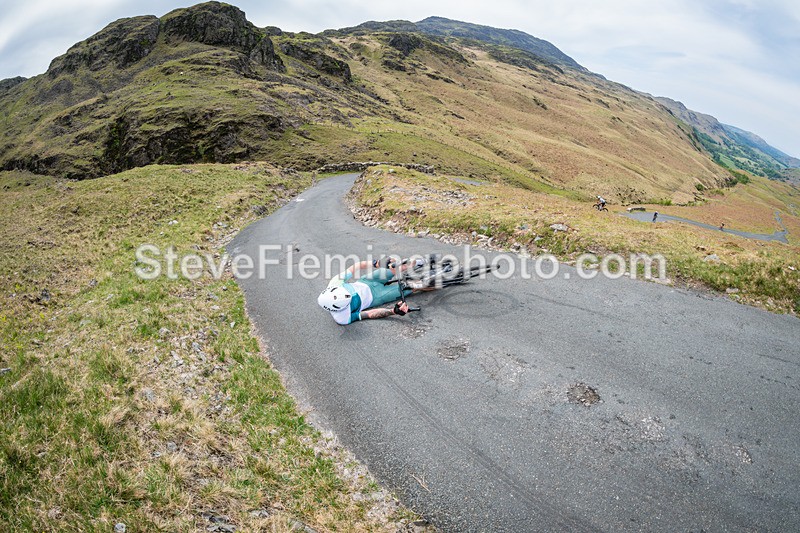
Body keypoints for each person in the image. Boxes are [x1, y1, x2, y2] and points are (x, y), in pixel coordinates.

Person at [317, 256, 434, 325]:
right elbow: (369, 314)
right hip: (377, 296)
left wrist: (376, 263)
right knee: (413, 286)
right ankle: (439, 281)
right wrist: (393, 311)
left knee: (397, 267)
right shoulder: (342, 318)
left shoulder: (335, 282)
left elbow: (356, 266)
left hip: (368, 281)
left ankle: (421, 262)